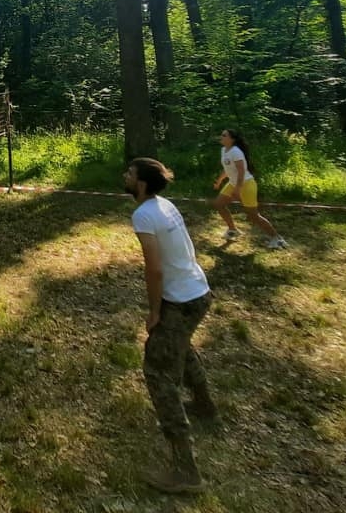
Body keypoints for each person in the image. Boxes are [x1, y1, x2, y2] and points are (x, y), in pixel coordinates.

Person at [126, 156, 215, 494]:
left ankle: (186, 471)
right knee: (180, 345)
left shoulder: (144, 215)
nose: (126, 176)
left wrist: (154, 312)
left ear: (142, 184)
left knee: (159, 371)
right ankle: (205, 405)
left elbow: (154, 269)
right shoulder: (164, 204)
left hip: (180, 300)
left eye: (131, 173)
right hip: (199, 292)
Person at [213, 129, 286, 249]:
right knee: (218, 204)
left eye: (224, 135)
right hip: (232, 183)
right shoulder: (224, 150)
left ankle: (277, 239)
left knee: (253, 215)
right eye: (221, 134)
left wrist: (238, 188)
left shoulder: (236, 152)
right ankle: (232, 230)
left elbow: (241, 171)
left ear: (232, 139)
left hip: (246, 184)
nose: (221, 137)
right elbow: (227, 169)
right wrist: (219, 180)